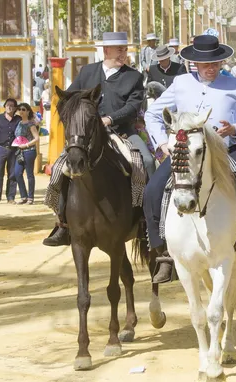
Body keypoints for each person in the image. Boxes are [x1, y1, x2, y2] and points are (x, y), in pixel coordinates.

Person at [144, 35, 236, 283]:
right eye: (206, 64)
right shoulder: (181, 83)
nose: (211, 68)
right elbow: (152, 114)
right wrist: (163, 145)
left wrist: (234, 129)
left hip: (228, 150)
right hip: (187, 152)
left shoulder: (235, 85)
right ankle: (163, 254)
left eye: (215, 63)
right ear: (194, 63)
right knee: (152, 190)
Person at [42, 32, 150, 247]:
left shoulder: (134, 77)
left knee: (147, 161)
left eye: (124, 49)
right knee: (59, 169)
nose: (123, 53)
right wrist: (74, 119)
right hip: (87, 136)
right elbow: (69, 99)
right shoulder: (88, 72)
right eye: (119, 49)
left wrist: (110, 119)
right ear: (106, 50)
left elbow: (132, 107)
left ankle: (146, 222)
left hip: (122, 133)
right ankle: (62, 225)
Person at [0, 98, 21, 204]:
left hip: (14, 150)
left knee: (12, 174)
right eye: (7, 105)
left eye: (12, 105)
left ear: (15, 108)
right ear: (5, 106)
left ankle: (10, 197)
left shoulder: (18, 119)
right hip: (1, 149)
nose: (9, 107)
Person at [13, 103, 39, 204]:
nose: (21, 111)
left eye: (23, 109)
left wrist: (27, 145)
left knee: (29, 174)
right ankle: (23, 196)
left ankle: (30, 197)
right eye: (19, 109)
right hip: (20, 152)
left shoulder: (31, 124)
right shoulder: (19, 123)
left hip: (29, 151)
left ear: (28, 111)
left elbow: (36, 138)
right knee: (17, 173)